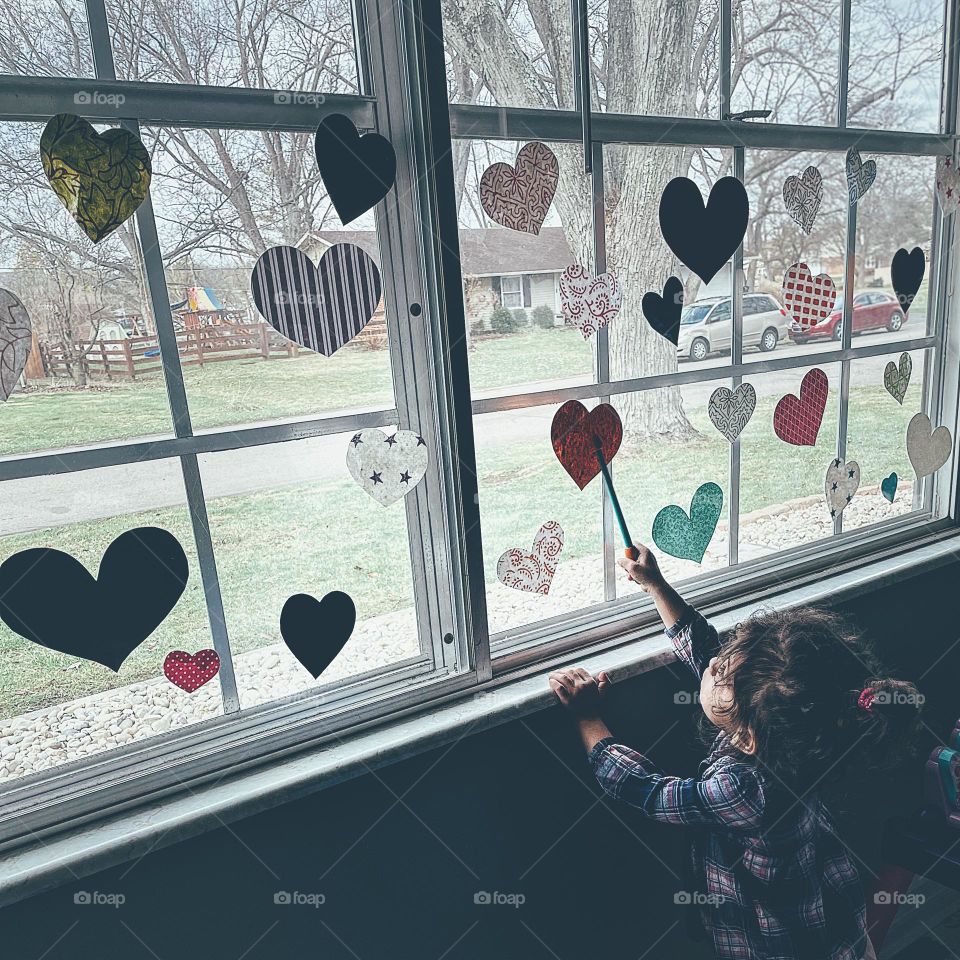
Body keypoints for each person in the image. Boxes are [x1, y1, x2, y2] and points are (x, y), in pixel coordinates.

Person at [549, 543, 922, 960]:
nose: (713, 663)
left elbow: (646, 790)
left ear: (746, 736)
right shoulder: (795, 737)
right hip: (826, 921)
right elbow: (709, 654)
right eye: (725, 658)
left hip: (779, 946)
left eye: (722, 672)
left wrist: (585, 717)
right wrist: (656, 586)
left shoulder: (743, 790)